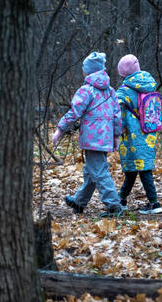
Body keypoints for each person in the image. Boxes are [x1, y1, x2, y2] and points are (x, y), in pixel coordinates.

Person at [51, 52, 124, 217]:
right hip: (104, 137)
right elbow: (117, 115)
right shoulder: (111, 91)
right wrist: (115, 136)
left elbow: (74, 113)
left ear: (88, 71)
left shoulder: (86, 90)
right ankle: (79, 201)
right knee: (92, 170)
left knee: (99, 171)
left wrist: (60, 129)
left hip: (92, 139)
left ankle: (114, 206)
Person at [115, 54, 162, 214]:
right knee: (135, 168)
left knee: (141, 169)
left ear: (123, 73)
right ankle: (121, 199)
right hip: (149, 133)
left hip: (131, 137)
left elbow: (116, 114)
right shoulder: (149, 83)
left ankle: (154, 204)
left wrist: (116, 133)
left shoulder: (123, 92)